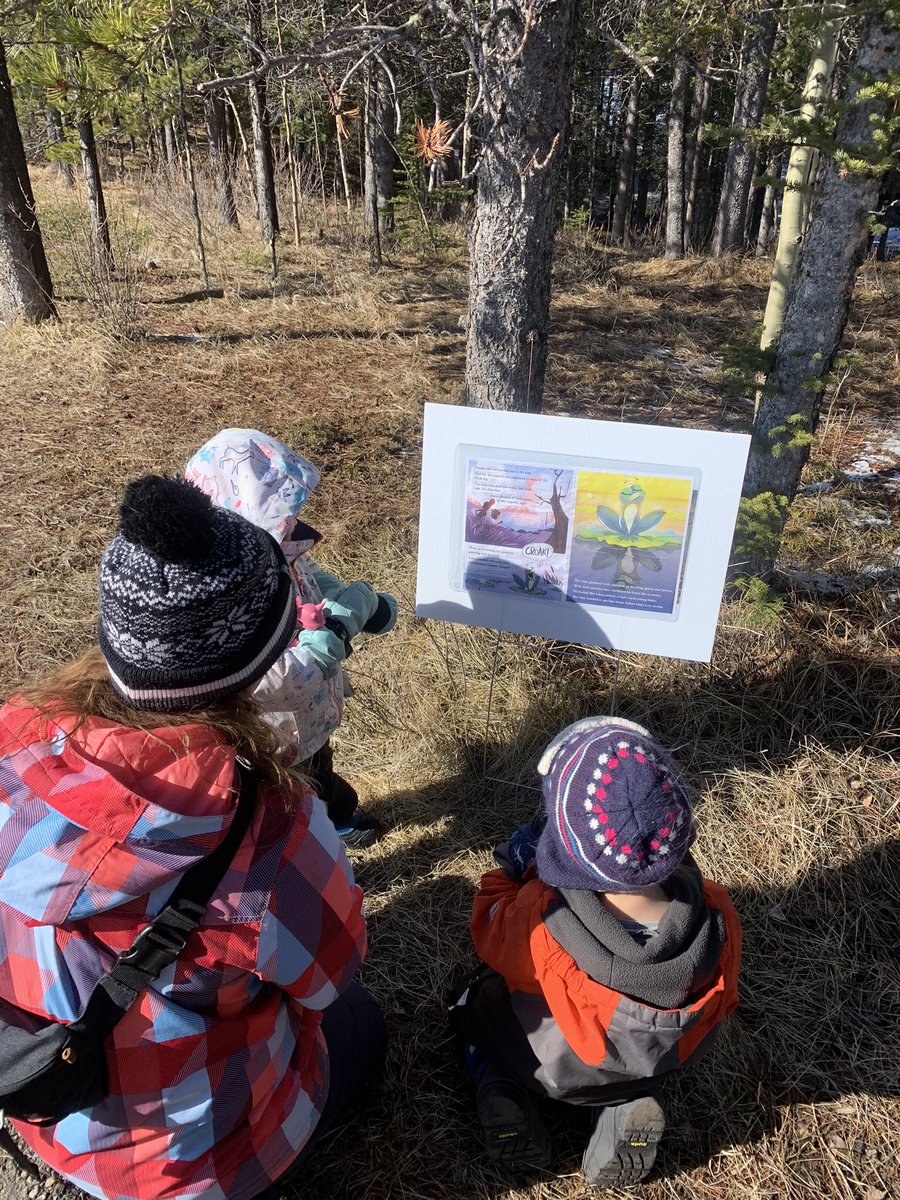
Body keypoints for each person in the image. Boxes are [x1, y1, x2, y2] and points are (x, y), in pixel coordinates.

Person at [0, 476, 386, 1200]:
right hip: (199, 1165)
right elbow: (335, 969)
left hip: (45, 1102)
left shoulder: (13, 741)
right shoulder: (269, 831)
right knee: (361, 1024)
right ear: (264, 659)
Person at [450, 716, 741, 1186]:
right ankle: (625, 1103)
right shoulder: (716, 913)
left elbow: (486, 931)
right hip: (656, 1063)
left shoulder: (542, 921)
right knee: (620, 1070)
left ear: (563, 850)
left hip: (552, 1068)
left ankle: (502, 1088)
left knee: (473, 1010)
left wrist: (509, 870)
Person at [186, 429, 397, 850]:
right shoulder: (221, 598)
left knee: (321, 767)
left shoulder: (278, 550)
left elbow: (307, 576)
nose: (292, 523)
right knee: (289, 797)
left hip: (310, 714)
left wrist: (348, 598)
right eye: (281, 514)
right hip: (273, 731)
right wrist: (329, 640)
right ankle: (311, 844)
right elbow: (253, 684)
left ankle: (339, 818)